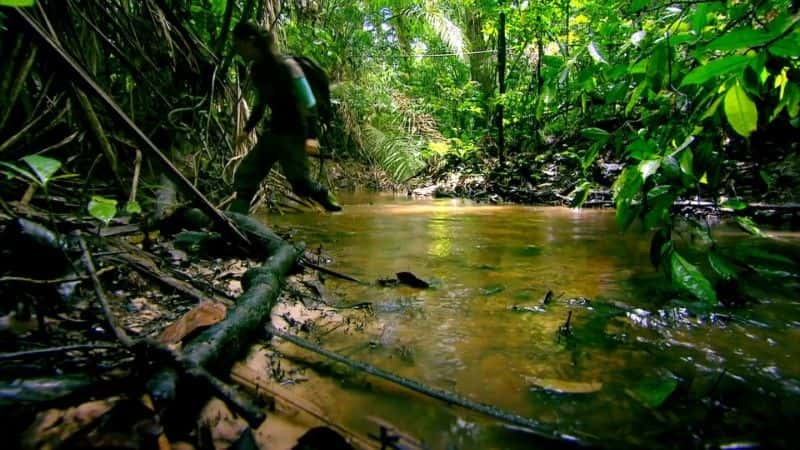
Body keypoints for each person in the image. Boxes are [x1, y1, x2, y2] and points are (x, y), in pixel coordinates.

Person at [229, 22, 341, 214]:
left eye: (239, 45)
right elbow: (260, 105)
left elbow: (309, 102)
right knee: (245, 177)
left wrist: (312, 137)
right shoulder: (257, 71)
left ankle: (324, 196)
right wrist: (247, 130)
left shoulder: (287, 66)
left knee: (301, 185)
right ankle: (234, 222)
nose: (238, 50)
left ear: (251, 41)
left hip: (294, 133)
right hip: (273, 133)